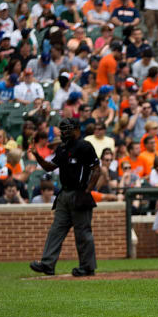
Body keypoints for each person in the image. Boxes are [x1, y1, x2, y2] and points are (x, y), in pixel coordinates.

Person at [29, 118, 101, 276]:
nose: (64, 133)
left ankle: (87, 267)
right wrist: (37, 155)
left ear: (76, 129)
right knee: (56, 230)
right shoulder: (62, 148)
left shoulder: (84, 146)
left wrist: (87, 190)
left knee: (82, 232)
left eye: (67, 129)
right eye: (62, 130)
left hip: (79, 194)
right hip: (64, 195)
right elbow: (50, 167)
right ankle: (47, 264)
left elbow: (96, 169)